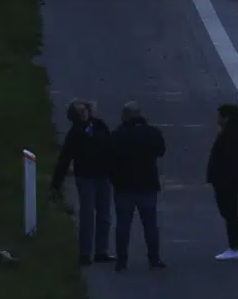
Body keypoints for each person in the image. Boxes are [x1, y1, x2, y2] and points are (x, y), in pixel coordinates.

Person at [50, 100, 115, 266]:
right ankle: (85, 253)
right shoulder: (75, 134)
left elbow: (111, 147)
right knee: (87, 215)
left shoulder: (99, 125)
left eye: (84, 109)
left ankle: (101, 251)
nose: (83, 112)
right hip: (86, 178)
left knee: (104, 216)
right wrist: (56, 182)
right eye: (79, 110)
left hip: (103, 176)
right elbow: (64, 159)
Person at [110, 101, 167, 271]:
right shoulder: (152, 132)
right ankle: (154, 258)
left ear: (125, 116)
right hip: (147, 184)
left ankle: (121, 261)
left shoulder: (118, 134)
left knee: (123, 224)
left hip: (124, 185)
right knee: (150, 224)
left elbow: (108, 154)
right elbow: (161, 151)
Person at [206, 104, 238, 261]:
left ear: (226, 117)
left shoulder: (231, 135)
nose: (217, 120)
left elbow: (228, 157)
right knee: (229, 212)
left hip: (227, 179)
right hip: (230, 178)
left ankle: (234, 246)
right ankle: (234, 245)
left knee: (229, 212)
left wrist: (219, 175)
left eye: (219, 116)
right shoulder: (235, 132)